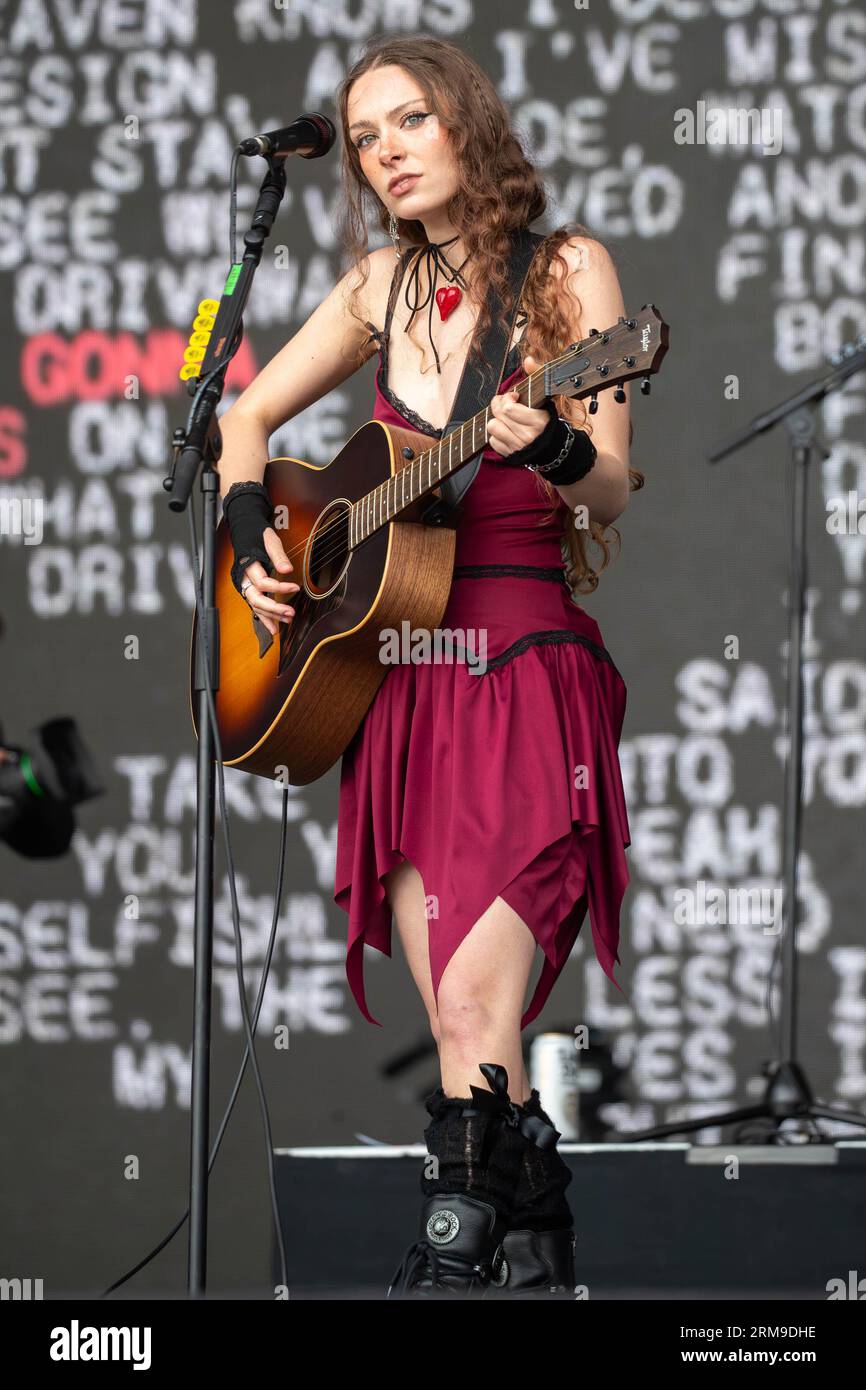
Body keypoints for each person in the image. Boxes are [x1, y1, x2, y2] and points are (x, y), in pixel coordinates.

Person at [216, 33, 640, 1299]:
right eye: (363, 138)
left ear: (464, 123)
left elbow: (610, 488)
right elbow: (244, 418)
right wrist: (255, 540)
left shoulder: (566, 270)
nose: (385, 152)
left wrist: (550, 450)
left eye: (407, 121)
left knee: (471, 1015)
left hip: (522, 668)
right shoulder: (372, 290)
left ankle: (442, 1268)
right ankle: (537, 1249)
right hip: (396, 683)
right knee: (468, 1037)